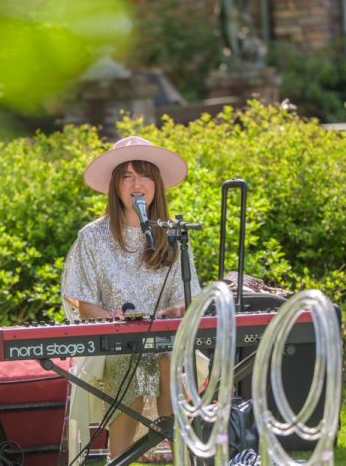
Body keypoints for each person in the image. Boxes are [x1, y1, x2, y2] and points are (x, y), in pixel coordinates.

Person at [61, 135, 202, 459]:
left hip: (165, 342)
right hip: (114, 345)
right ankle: (120, 457)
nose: (137, 184)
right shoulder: (92, 236)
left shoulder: (173, 234)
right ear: (116, 185)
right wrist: (118, 322)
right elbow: (83, 303)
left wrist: (171, 313)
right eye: (127, 176)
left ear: (156, 184)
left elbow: (188, 299)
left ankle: (184, 457)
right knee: (131, 365)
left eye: (144, 175)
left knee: (168, 361)